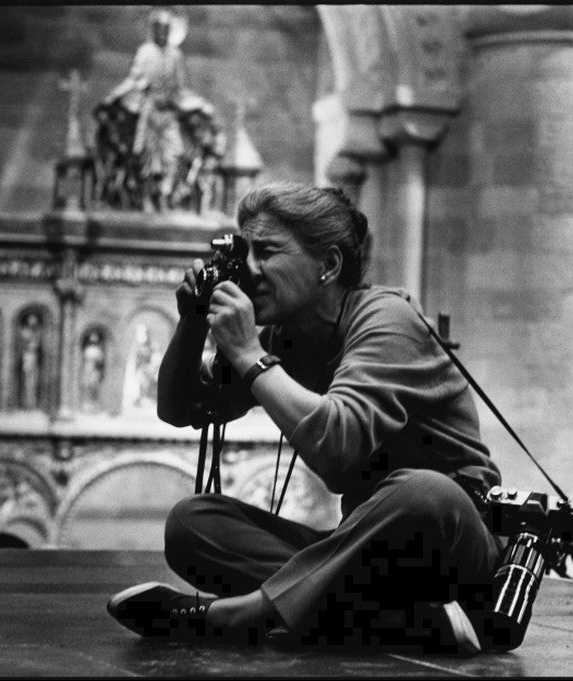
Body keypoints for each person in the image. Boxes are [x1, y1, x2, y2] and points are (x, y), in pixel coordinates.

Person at [107, 182, 503, 654]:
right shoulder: (287, 339)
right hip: (368, 557)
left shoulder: (388, 318)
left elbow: (337, 450)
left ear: (329, 265)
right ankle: (407, 622)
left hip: (454, 549)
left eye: (267, 252)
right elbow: (179, 408)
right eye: (243, 251)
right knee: (192, 523)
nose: (248, 270)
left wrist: (249, 354)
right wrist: (193, 323)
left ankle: (237, 614)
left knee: (423, 490)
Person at [102, 8, 190, 212]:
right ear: (153, 30)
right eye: (160, 28)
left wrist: (183, 102)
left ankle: (166, 195)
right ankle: (145, 197)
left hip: (169, 112)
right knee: (145, 155)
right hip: (150, 111)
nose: (163, 32)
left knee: (174, 154)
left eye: (167, 29)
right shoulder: (145, 52)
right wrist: (113, 96)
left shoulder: (176, 55)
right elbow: (134, 79)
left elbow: (181, 86)